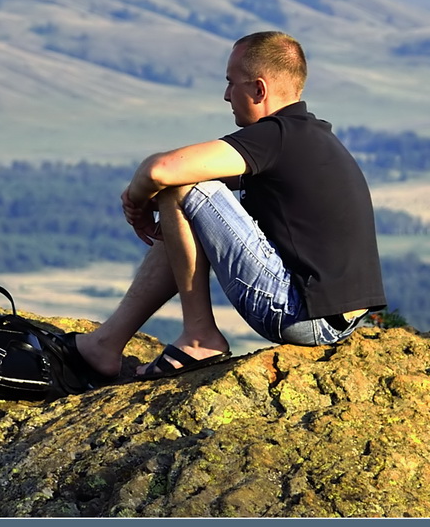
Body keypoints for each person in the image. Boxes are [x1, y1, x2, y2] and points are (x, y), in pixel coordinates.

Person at [59, 30, 387, 384]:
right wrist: (165, 209)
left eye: (232, 83)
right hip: (333, 318)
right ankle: (105, 346)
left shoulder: (276, 136)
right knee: (182, 199)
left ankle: (200, 338)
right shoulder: (309, 137)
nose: (227, 95)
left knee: (181, 187)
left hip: (299, 313)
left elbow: (161, 170)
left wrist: (135, 204)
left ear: (259, 89)